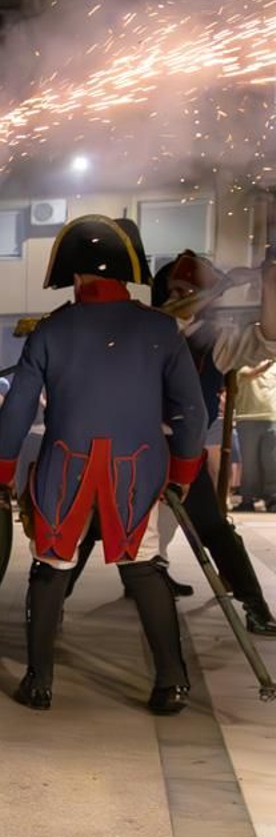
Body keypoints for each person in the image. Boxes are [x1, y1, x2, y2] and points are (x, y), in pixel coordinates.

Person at [0, 215, 205, 715]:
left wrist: (1, 473)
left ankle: (39, 683)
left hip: (66, 466)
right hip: (137, 467)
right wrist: (184, 473)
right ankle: (171, 682)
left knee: (51, 568)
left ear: (74, 273)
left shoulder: (50, 330)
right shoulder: (161, 329)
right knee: (144, 569)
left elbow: (17, 411)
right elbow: (189, 413)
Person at [136, 250, 276, 634]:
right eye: (173, 289)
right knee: (92, 527)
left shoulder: (215, 340)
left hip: (182, 452)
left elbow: (269, 337)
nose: (177, 296)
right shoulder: (142, 331)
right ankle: (51, 607)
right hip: (133, 449)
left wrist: (269, 284)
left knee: (215, 529)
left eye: (187, 289)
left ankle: (255, 606)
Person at [236, 360, 276, 511]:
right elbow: (249, 373)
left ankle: (273, 498)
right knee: (250, 463)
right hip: (247, 418)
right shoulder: (241, 363)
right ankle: (248, 499)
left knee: (272, 461)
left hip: (272, 417)